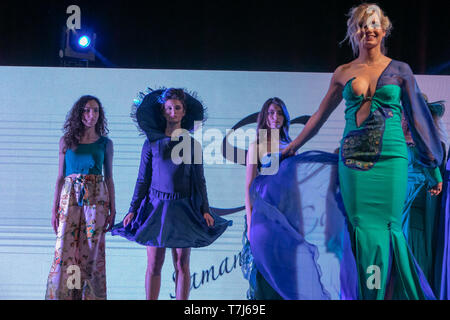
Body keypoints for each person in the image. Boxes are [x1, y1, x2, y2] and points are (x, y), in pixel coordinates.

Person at [282, 3, 442, 299]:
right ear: (354, 32)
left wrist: (432, 166)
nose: (368, 29)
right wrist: (293, 146)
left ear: (384, 29)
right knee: (362, 231)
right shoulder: (343, 72)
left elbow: (419, 119)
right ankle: (368, 295)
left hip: (391, 159)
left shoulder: (400, 70)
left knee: (389, 229)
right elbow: (318, 117)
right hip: (354, 162)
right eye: (361, 25)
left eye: (373, 24)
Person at [111, 88, 231, 300]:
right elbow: (142, 180)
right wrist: (132, 209)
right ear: (163, 112)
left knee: (182, 264)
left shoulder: (192, 145)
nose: (173, 112)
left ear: (184, 113)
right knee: (154, 263)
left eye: (177, 108)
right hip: (156, 208)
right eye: (169, 108)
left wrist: (205, 209)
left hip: (183, 209)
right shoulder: (151, 144)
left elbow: (199, 180)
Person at [45, 95, 116, 300]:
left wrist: (113, 208)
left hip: (97, 199)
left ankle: (89, 297)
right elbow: (60, 177)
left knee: (92, 252)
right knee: (67, 252)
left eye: (95, 110)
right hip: (69, 198)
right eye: (86, 110)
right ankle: (68, 296)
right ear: (79, 113)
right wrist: (54, 209)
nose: (91, 115)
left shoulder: (105, 143)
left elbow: (109, 178)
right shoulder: (66, 141)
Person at [241, 97, 291, 300]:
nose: (275, 117)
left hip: (287, 216)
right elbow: (249, 186)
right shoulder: (258, 145)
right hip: (263, 215)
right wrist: (251, 221)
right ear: (265, 116)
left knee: (284, 270)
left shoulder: (290, 145)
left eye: (279, 113)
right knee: (262, 269)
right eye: (271, 113)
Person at [401, 97, 446, 294]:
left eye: (417, 118)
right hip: (390, 225)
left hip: (417, 229)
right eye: (406, 116)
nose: (411, 123)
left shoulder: (435, 153)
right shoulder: (389, 149)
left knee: (414, 280)